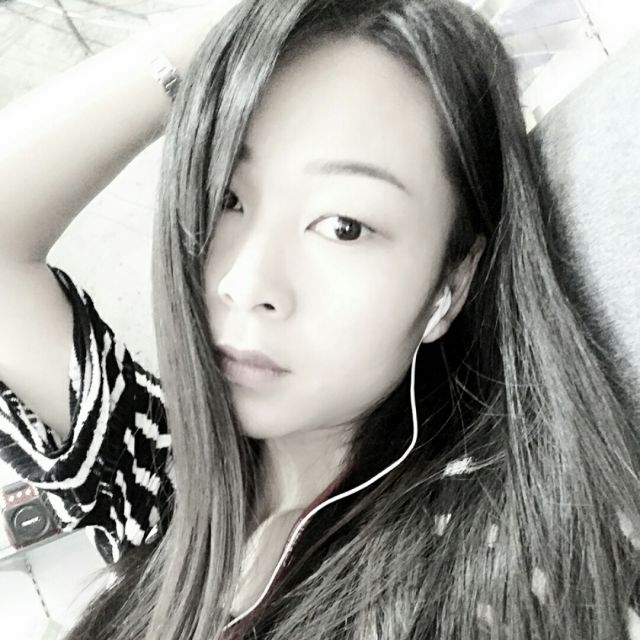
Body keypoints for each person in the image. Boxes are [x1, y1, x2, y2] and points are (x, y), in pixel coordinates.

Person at [0, 0, 639, 638]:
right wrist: (228, 36)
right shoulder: (165, 478)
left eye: (344, 226)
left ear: (450, 285)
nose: (245, 283)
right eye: (228, 197)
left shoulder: (489, 576)